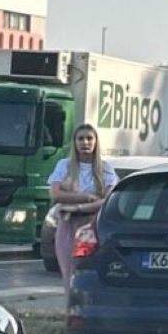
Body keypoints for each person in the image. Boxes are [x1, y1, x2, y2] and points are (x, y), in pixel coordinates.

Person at [48, 124, 117, 292]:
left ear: (95, 142)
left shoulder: (105, 169)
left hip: (93, 225)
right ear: (74, 142)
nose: (85, 143)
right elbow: (56, 194)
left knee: (87, 270)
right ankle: (70, 310)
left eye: (89, 138)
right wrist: (87, 197)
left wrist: (78, 207)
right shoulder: (64, 165)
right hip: (67, 224)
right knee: (68, 270)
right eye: (80, 139)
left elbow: (107, 200)